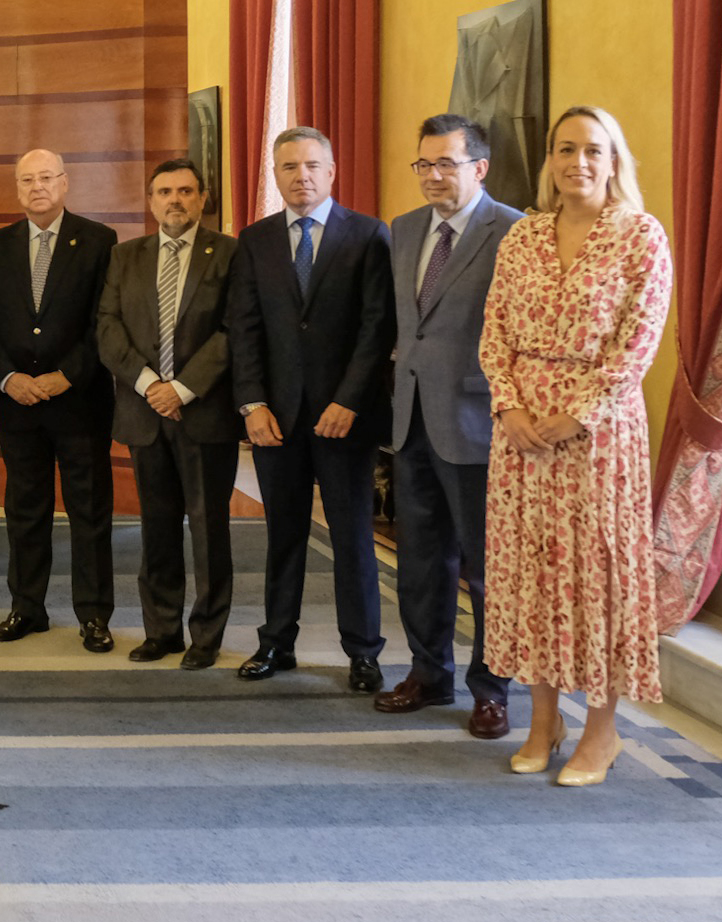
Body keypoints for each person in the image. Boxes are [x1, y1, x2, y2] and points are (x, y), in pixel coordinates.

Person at [481, 105, 672, 786]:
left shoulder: (641, 236)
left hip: (599, 441)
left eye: (593, 149)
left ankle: (601, 727)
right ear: (549, 161)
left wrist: (581, 411)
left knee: (597, 582)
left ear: (614, 160)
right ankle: (542, 720)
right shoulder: (522, 237)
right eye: (565, 149)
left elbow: (640, 340)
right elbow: (493, 328)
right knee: (530, 578)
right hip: (522, 438)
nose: (577, 162)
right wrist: (509, 404)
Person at [226, 125, 394, 692]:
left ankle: (364, 652)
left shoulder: (370, 235)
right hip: (276, 419)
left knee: (351, 537)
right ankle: (276, 642)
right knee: (284, 536)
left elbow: (377, 329)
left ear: (332, 171)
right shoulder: (255, 240)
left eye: (312, 166)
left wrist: (348, 400)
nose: (301, 177)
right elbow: (243, 330)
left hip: (346, 418)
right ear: (275, 175)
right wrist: (251, 405)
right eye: (289, 168)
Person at [376, 115, 522, 737]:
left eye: (447, 164)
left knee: (487, 568)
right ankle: (428, 674)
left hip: (476, 422)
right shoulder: (404, 230)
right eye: (423, 165)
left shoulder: (514, 232)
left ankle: (491, 690)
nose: (433, 177)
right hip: (409, 422)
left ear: (479, 168)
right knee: (421, 561)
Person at [0, 149, 118, 650]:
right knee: (25, 510)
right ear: (17, 189)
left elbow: (105, 321)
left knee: (89, 511)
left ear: (65, 182)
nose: (37, 187)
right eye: (27, 180)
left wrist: (67, 376)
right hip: (18, 403)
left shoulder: (99, 241)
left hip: (80, 402)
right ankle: (27, 608)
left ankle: (94, 615)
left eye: (46, 178)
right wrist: (7, 377)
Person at [95, 158, 240, 670]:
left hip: (203, 414)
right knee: (155, 527)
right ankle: (161, 630)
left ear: (203, 197)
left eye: (184, 191)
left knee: (208, 528)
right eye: (164, 192)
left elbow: (231, 332)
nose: (174, 200)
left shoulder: (228, 253)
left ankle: (206, 634)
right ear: (150, 200)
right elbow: (108, 328)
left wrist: (181, 388)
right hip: (144, 412)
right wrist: (150, 384)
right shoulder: (125, 257)